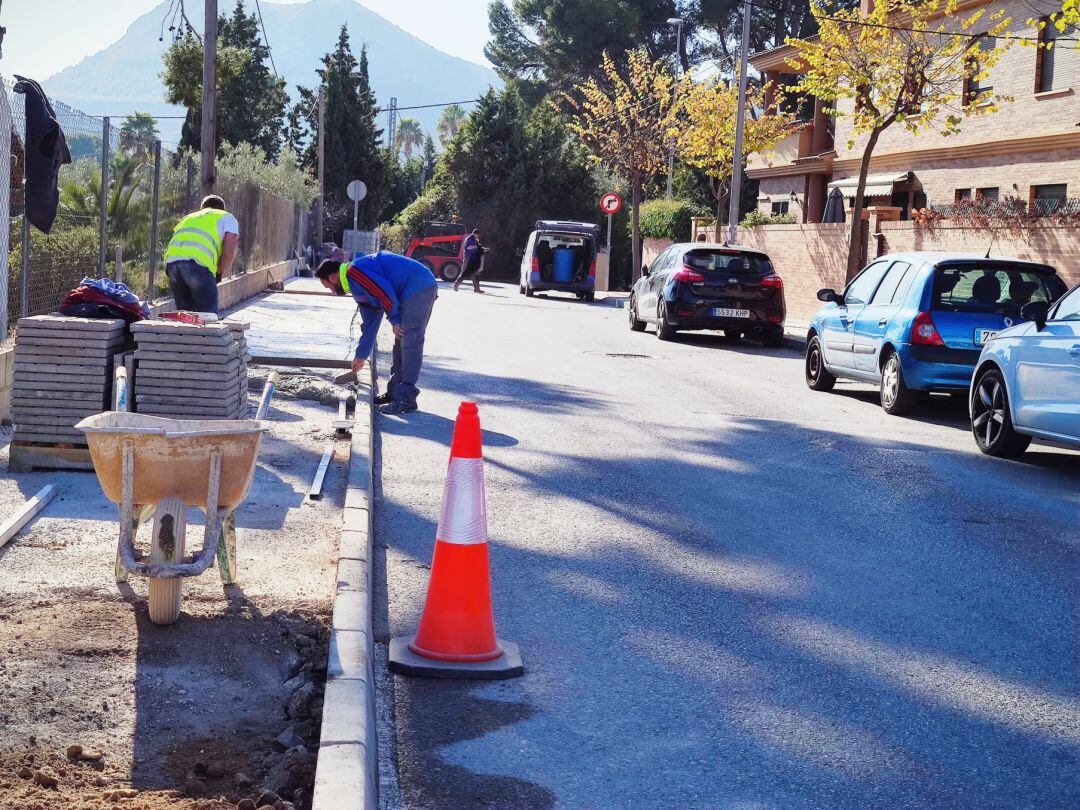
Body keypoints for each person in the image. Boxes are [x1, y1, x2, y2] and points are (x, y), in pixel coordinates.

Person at [316, 252, 438, 415]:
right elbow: (370, 324)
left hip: (418, 286)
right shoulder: (355, 287)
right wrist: (361, 355)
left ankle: (406, 399)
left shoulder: (355, 271)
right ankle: (395, 393)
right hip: (406, 291)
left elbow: (384, 292)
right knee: (400, 343)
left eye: (328, 286)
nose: (331, 291)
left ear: (332, 277)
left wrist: (395, 320)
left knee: (409, 342)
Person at [162, 194, 239, 316]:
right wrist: (219, 270)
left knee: (186, 317)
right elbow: (230, 247)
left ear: (203, 208)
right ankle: (207, 332)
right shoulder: (227, 217)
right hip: (197, 266)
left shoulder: (188, 218)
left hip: (172, 265)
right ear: (221, 209)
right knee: (208, 317)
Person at [453, 229, 485, 293]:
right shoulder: (469, 239)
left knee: (475, 274)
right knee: (463, 272)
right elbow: (468, 248)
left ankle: (477, 289)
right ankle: (456, 286)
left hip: (474, 259)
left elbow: (477, 248)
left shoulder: (475, 239)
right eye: (477, 235)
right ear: (474, 234)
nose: (477, 236)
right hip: (468, 258)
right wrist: (476, 246)